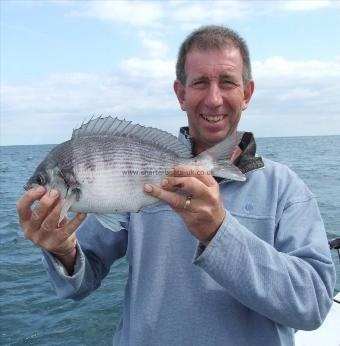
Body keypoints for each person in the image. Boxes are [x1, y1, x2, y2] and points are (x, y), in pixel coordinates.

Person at [17, 25, 336, 345]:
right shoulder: (136, 178)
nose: (214, 99)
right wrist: (63, 251)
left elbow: (313, 307)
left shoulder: (286, 190)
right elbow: (81, 282)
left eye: (227, 82)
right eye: (200, 83)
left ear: (247, 93)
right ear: (181, 94)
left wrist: (219, 233)